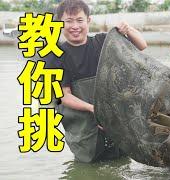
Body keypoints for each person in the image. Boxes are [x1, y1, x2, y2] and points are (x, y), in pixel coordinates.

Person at [53, 0, 147, 162]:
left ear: (88, 21)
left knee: (121, 160)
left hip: (113, 119)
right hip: (83, 128)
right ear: (60, 24)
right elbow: (63, 95)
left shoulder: (103, 42)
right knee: (89, 165)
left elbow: (141, 45)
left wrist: (128, 29)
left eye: (79, 20)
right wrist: (94, 109)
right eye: (69, 21)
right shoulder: (55, 55)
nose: (75, 26)